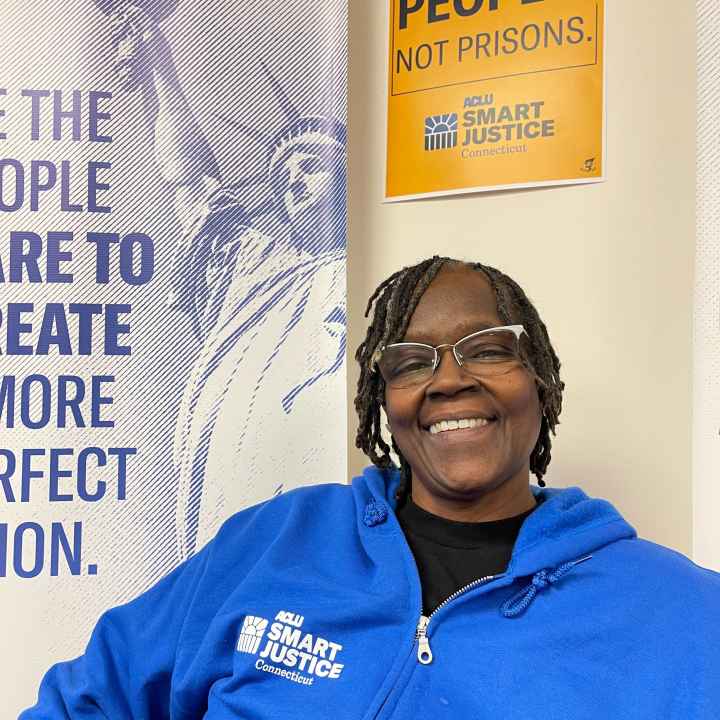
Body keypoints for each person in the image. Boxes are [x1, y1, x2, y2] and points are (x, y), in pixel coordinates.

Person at [21, 257, 720, 718]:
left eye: (486, 349)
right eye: (411, 362)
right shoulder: (277, 542)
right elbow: (90, 696)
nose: (449, 380)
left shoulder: (684, 615)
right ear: (383, 401)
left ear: (540, 381)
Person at [108, 2, 348, 559]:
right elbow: (191, 180)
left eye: (310, 164)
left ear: (345, 180)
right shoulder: (253, 265)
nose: (292, 182)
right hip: (225, 491)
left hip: (308, 504)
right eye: (283, 172)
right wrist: (155, 60)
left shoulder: (359, 280)